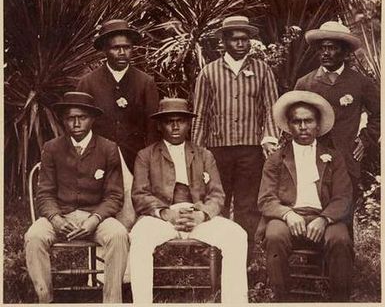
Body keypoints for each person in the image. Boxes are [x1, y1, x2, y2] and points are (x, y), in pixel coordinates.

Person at [129, 98, 248, 304]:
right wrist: (165, 213)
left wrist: (202, 215)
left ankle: (234, 302)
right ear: (159, 125)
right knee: (140, 238)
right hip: (161, 218)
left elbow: (217, 194)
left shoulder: (204, 155)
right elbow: (140, 194)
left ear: (189, 123)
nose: (175, 127)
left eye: (181, 121)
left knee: (237, 235)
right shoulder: (145, 156)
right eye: (169, 121)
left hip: (197, 216)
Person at [24, 92, 129, 303]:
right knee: (34, 236)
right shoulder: (52, 148)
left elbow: (114, 195)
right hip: (61, 215)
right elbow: (44, 193)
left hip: (95, 217)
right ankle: (45, 299)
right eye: (71, 118)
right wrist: (55, 218)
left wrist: (95, 219)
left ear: (92, 119)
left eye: (82, 117)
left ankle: (112, 301)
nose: (77, 122)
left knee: (118, 234)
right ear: (63, 120)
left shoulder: (108, 148)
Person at [191, 15, 280, 262]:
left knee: (247, 207)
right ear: (224, 42)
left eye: (245, 39)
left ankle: (243, 261)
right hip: (218, 150)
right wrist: (197, 152)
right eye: (235, 40)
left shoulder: (262, 69)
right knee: (217, 203)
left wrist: (269, 138)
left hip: (251, 150)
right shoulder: (209, 72)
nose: (241, 44)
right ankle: (216, 261)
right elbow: (199, 114)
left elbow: (272, 108)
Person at [258, 90, 353, 302]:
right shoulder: (276, 159)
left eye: (308, 121)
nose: (303, 127)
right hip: (288, 217)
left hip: (323, 217)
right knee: (274, 236)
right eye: (297, 121)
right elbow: (266, 199)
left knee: (340, 239)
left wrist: (324, 218)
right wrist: (287, 214)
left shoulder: (333, 158)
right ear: (288, 125)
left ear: (317, 125)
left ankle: (340, 300)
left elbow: (343, 197)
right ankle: (283, 298)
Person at [295, 21, 380, 201]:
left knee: (344, 212)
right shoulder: (305, 83)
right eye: (322, 48)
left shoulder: (360, 82)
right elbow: (294, 118)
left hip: (347, 158)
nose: (325, 53)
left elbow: (380, 114)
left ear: (345, 51)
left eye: (332, 48)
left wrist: (365, 139)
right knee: (315, 209)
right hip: (313, 158)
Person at [77, 19, 159, 172]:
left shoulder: (145, 82)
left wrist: (148, 163)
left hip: (135, 162)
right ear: (105, 49)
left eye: (127, 47)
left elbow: (153, 128)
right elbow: (79, 125)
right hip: (98, 162)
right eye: (116, 48)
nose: (122, 53)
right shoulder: (88, 83)